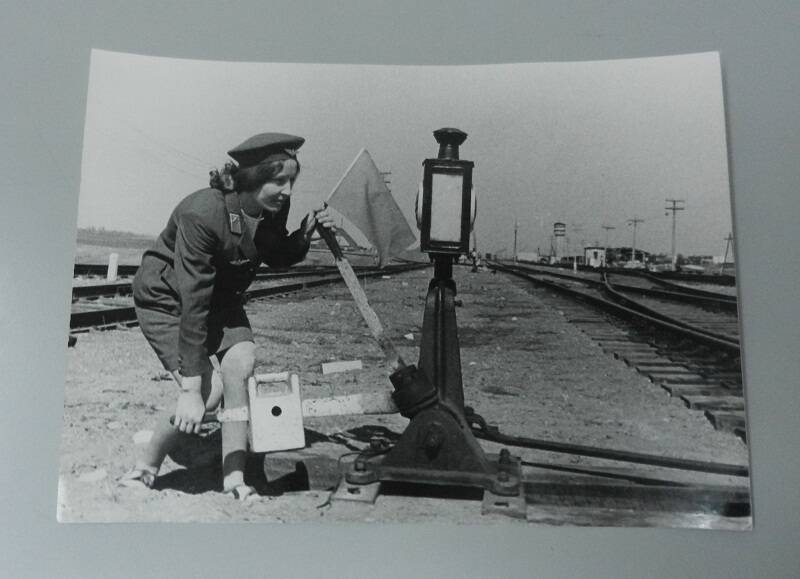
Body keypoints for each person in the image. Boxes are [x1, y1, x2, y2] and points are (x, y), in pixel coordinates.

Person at [120, 132, 335, 500]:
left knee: (242, 363)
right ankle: (145, 468)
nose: (286, 191)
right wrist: (191, 387)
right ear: (253, 178)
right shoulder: (202, 212)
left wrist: (303, 235)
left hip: (217, 295)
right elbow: (193, 301)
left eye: (291, 181)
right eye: (278, 180)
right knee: (208, 392)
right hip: (168, 298)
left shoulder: (271, 207)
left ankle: (234, 477)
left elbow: (270, 249)